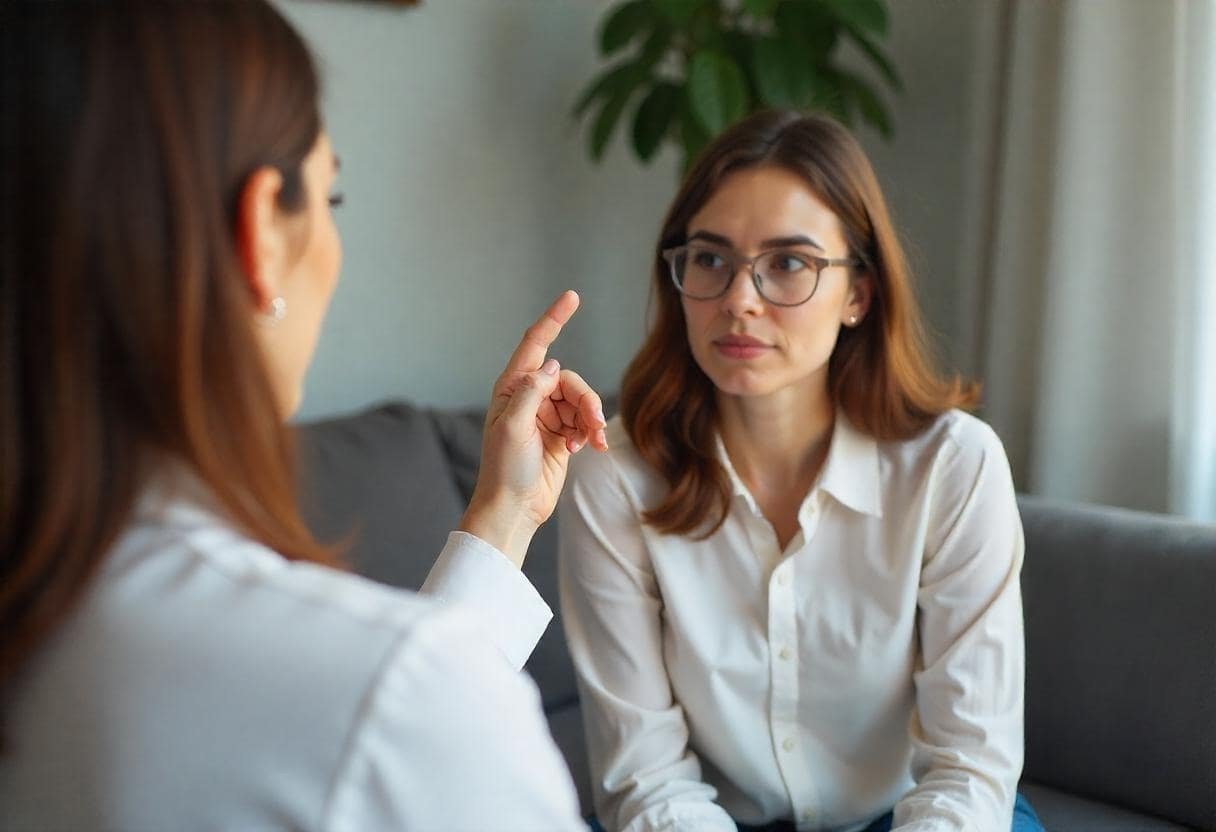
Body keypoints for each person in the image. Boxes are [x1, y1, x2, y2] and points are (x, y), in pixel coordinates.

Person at [0, 2, 604, 829]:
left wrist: (504, 513)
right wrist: (427, 680)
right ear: (260, 234)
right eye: (333, 194)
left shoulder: (54, 604)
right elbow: (388, 727)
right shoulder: (392, 693)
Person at [559, 110, 1044, 831]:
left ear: (858, 294)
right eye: (710, 259)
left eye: (788, 262)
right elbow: (644, 779)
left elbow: (968, 769)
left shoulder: (954, 467)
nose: (739, 300)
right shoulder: (612, 476)